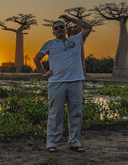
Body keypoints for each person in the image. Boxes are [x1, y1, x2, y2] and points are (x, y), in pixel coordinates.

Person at [34, 15, 92, 153]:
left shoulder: (76, 39)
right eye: (56, 28)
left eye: (61, 27)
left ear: (66, 29)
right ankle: (52, 143)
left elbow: (88, 27)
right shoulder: (49, 44)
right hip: (56, 83)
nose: (59, 29)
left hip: (75, 82)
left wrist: (70, 18)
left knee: (76, 113)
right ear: (53, 32)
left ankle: (75, 142)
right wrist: (44, 73)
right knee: (55, 114)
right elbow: (37, 59)